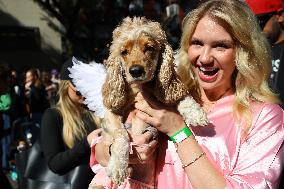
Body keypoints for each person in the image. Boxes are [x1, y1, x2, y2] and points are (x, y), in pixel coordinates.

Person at [93, 0, 284, 188]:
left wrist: (178, 130)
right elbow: (100, 150)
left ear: (242, 52)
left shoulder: (264, 117)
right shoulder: (165, 94)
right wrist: (115, 150)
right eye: (197, 43)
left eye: (221, 46)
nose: (205, 57)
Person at [40, 59, 102, 189]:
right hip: (74, 184)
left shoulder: (98, 111)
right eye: (79, 90)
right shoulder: (53, 116)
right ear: (65, 86)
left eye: (87, 87)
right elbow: (55, 164)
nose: (84, 94)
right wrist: (87, 143)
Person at [246, 0, 284, 108]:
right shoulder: (250, 51)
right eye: (251, 23)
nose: (256, 29)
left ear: (279, 16)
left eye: (260, 20)